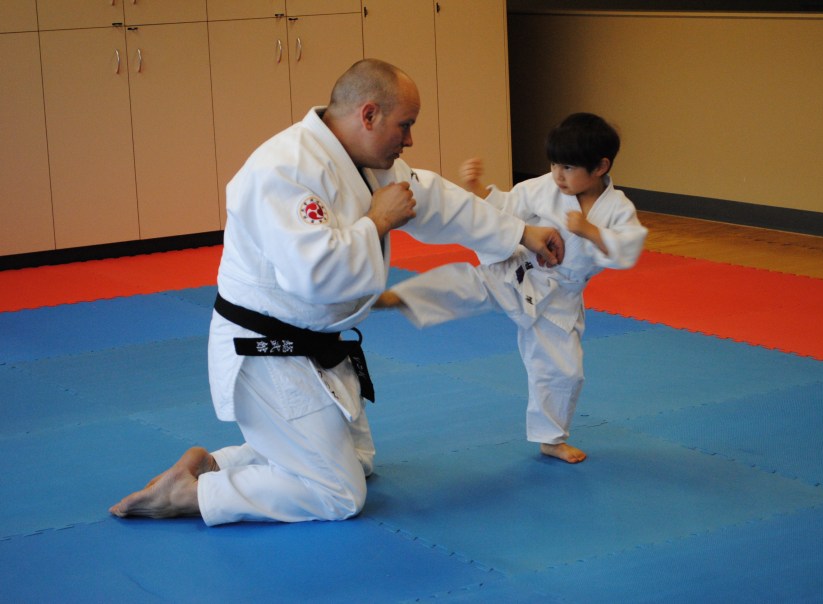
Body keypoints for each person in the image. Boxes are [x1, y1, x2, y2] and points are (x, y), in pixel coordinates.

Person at [108, 59, 565, 524]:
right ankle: (193, 494)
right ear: (368, 115)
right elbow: (316, 275)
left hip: (316, 344)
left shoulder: (364, 161)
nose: (409, 140)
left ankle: (217, 464)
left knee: (358, 462)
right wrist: (377, 221)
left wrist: (520, 232)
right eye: (405, 125)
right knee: (339, 495)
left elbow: (434, 201)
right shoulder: (283, 171)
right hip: (268, 353)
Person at [376, 113, 647, 463]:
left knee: (564, 372)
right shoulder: (545, 187)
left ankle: (551, 439)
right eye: (554, 164)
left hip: (559, 299)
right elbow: (507, 207)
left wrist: (590, 231)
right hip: (517, 268)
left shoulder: (617, 208)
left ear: (600, 167)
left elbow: (628, 248)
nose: (557, 175)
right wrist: (478, 190)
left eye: (567, 167)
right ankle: (402, 297)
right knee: (467, 285)